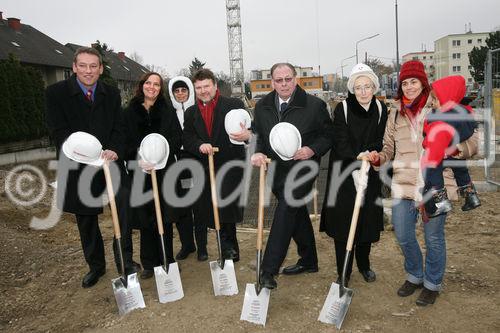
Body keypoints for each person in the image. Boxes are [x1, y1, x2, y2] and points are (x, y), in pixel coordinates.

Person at [366, 60, 475, 306]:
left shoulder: (440, 105)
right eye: (404, 83)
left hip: (435, 185)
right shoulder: (394, 113)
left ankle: (432, 283)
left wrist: (457, 149)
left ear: (423, 82)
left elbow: (473, 141)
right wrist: (378, 159)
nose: (409, 87)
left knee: (433, 238)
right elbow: (388, 148)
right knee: (403, 235)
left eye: (413, 81)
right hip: (404, 183)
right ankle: (415, 275)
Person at [45, 47, 138, 288]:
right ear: (74, 67)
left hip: (109, 159)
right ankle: (95, 266)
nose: (88, 71)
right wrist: (84, 152)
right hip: (77, 162)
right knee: (86, 219)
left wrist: (114, 149)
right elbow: (58, 131)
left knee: (123, 207)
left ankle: (124, 260)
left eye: (93, 66)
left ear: (100, 69)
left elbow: (119, 127)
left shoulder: (112, 93)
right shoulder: (56, 93)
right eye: (83, 66)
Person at [251, 63, 334, 289]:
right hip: (276, 170)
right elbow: (257, 134)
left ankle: (268, 269)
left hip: (303, 168)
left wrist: (312, 150)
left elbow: (328, 136)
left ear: (295, 79)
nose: (284, 84)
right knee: (295, 212)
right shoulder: (262, 107)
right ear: (272, 82)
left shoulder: (314, 106)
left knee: (288, 207)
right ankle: (309, 261)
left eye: (288, 79)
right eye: (279, 80)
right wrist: (257, 151)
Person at [320, 64, 387, 286]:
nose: (363, 91)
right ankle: (344, 271)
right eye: (358, 87)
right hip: (345, 174)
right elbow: (340, 140)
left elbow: (381, 138)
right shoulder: (343, 109)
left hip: (370, 171)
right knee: (344, 224)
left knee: (366, 221)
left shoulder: (380, 108)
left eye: (367, 86)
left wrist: (373, 155)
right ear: (352, 89)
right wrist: (356, 159)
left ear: (374, 87)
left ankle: (364, 265)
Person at [182, 68, 248, 262]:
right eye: (199, 87)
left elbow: (248, 129)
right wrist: (199, 145)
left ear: (215, 85)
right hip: (205, 166)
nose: (203, 91)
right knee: (211, 209)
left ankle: (230, 249)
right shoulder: (191, 112)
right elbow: (188, 136)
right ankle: (221, 245)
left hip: (230, 164)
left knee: (227, 207)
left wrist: (247, 136)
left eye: (206, 86)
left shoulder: (233, 105)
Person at [123, 72, 182, 279]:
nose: (152, 87)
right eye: (149, 83)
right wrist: (137, 158)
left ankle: (167, 259)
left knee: (164, 218)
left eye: (156, 84)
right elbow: (125, 142)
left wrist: (162, 156)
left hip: (163, 171)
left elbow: (176, 137)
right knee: (146, 219)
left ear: (160, 88)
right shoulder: (130, 111)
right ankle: (149, 262)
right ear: (142, 85)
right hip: (140, 172)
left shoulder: (167, 110)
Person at [421, 75, 481, 217]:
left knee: (433, 173)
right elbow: (470, 131)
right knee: (461, 171)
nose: (433, 103)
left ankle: (441, 202)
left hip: (440, 152)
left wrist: (427, 149)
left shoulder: (440, 119)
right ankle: (471, 196)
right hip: (456, 152)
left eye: (435, 99)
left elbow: (435, 140)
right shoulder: (463, 112)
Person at [167, 76, 201, 260]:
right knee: (182, 204)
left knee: (198, 204)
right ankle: (188, 244)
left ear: (189, 91)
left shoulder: (196, 110)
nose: (180, 94)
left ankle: (201, 244)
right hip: (177, 161)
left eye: (184, 90)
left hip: (196, 159)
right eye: (177, 91)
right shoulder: (169, 112)